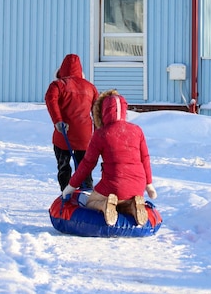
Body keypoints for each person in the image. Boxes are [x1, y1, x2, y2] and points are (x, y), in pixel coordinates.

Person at [62, 89, 157, 226]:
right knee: (126, 199)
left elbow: (88, 163)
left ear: (103, 111)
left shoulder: (101, 134)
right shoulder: (137, 130)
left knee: (90, 202)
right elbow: (145, 158)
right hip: (138, 187)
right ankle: (132, 206)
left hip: (113, 186)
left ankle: (104, 204)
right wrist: (149, 185)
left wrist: (71, 186)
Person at [45, 54, 99, 192]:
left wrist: (58, 121)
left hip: (63, 133)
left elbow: (51, 100)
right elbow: (97, 110)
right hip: (84, 136)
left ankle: (66, 194)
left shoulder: (58, 85)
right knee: (84, 167)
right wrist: (99, 130)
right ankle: (86, 193)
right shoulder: (90, 87)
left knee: (64, 167)